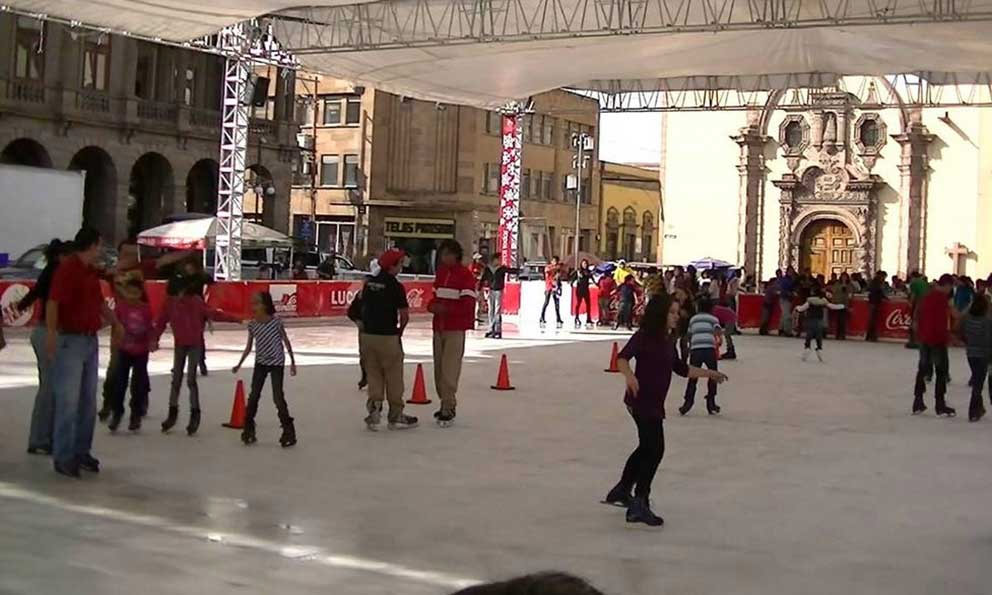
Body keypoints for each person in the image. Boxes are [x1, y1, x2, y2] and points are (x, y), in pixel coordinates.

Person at [601, 295, 728, 527]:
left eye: (677, 312)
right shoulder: (644, 337)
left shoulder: (667, 340)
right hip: (640, 401)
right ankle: (640, 502)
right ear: (660, 314)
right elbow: (622, 358)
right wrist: (629, 376)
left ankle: (621, 490)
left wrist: (710, 374)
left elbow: (681, 369)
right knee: (655, 449)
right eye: (672, 312)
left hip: (654, 403)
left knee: (646, 447)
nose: (676, 316)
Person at [47, 227, 122, 478]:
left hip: (90, 340)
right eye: (99, 245)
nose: (101, 249)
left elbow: (99, 302)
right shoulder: (68, 269)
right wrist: (50, 335)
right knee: (68, 401)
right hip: (71, 340)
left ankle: (81, 450)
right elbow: (53, 302)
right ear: (92, 244)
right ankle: (63, 455)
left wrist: (115, 322)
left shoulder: (90, 272)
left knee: (87, 401)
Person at [155, 283, 240, 435]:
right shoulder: (170, 303)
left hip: (194, 344)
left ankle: (195, 413)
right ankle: (172, 413)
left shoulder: (195, 301)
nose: (180, 296)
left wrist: (234, 319)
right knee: (176, 380)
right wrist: (154, 338)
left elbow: (212, 313)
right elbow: (161, 321)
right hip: (180, 344)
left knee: (191, 380)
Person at [17, 239, 68, 455]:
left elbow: (33, 294)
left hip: (43, 331)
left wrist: (21, 306)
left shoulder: (49, 271)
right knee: (50, 388)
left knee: (49, 386)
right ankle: (41, 437)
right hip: (50, 332)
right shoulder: (57, 273)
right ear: (61, 256)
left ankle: (43, 436)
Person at [357, 249, 418, 431]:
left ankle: (374, 410)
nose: (401, 267)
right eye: (400, 263)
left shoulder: (369, 284)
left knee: (374, 373)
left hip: (368, 336)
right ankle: (396, 414)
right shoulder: (395, 286)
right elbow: (404, 315)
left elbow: (358, 308)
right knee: (393, 376)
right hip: (388, 336)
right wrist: (400, 331)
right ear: (393, 266)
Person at [232, 292, 298, 446]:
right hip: (261, 363)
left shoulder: (276, 323)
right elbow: (249, 347)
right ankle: (248, 429)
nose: (253, 306)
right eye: (253, 303)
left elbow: (286, 341)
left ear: (265, 305)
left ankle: (288, 431)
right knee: (254, 395)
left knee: (277, 397)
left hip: (276, 363)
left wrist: (292, 362)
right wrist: (239, 364)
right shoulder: (253, 325)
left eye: (257, 303)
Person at [428, 240, 477, 427]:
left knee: (450, 368)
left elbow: (468, 303)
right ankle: (444, 402)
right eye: (443, 254)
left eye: (448, 254)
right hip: (438, 327)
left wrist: (447, 311)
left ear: (456, 255)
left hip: (455, 328)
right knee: (438, 369)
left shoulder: (465, 276)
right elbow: (434, 297)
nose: (445, 257)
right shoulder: (441, 274)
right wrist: (432, 307)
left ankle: (448, 404)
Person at [108, 273, 154, 432]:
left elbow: (149, 327)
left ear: (141, 293)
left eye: (136, 293)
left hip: (141, 351)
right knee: (120, 383)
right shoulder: (121, 307)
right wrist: (115, 343)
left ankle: (136, 414)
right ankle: (117, 412)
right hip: (124, 350)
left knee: (138, 385)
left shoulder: (145, 309)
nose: (132, 296)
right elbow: (116, 326)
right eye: (129, 292)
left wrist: (152, 341)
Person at [913, 274, 957, 417]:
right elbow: (940, 322)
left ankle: (918, 401)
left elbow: (918, 315)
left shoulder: (927, 296)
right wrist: (947, 337)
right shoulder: (941, 299)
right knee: (941, 371)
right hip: (937, 339)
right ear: (947, 285)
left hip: (924, 338)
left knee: (923, 369)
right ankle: (940, 404)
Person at [678, 299, 724, 416]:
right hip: (709, 350)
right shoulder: (713, 319)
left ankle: (687, 403)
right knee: (712, 375)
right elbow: (718, 330)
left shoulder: (693, 319)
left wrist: (687, 347)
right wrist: (719, 339)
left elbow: (689, 334)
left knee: (693, 376)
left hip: (696, 350)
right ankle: (711, 403)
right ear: (711, 309)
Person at [959, 294, 992, 422]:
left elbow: (960, 330)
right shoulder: (987, 321)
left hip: (971, 353)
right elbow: (989, 340)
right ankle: (973, 410)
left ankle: (979, 407)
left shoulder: (967, 319)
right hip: (984, 354)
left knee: (977, 379)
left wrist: (967, 342)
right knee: (978, 383)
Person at [795, 286, 845, 362]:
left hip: (811, 320)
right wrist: (842, 306)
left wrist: (797, 308)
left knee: (809, 335)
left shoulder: (810, 301)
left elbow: (802, 308)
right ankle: (819, 349)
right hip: (819, 321)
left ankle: (807, 348)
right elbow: (832, 306)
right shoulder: (823, 301)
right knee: (819, 336)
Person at [481, 256, 518, 339]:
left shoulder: (502, 268)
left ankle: (497, 330)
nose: (499, 261)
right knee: (491, 310)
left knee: (497, 310)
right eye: (498, 259)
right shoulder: (488, 269)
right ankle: (491, 329)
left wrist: (520, 270)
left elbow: (511, 271)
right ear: (494, 260)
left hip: (499, 290)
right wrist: (480, 286)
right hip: (491, 290)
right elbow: (484, 277)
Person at [539, 256, 564, 328]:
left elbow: (559, 277)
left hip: (556, 287)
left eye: (556, 261)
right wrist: (556, 268)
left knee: (557, 304)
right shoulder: (549, 267)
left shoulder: (558, 269)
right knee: (546, 302)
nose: (554, 263)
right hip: (549, 287)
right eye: (553, 261)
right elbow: (547, 272)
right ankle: (542, 317)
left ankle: (558, 318)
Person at [829, 272, 854, 340]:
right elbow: (833, 290)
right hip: (838, 302)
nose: (844, 278)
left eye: (845, 277)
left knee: (843, 320)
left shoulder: (849, 285)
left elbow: (851, 293)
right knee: (838, 319)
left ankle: (842, 334)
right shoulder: (837, 284)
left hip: (845, 303)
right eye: (843, 277)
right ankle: (837, 334)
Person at [572, 259, 594, 327]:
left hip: (586, 290)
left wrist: (594, 283)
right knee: (578, 304)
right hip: (579, 290)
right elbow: (572, 279)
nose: (584, 265)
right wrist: (573, 283)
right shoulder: (578, 272)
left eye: (585, 264)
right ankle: (576, 317)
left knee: (588, 304)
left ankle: (588, 319)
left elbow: (592, 279)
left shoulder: (588, 272)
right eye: (583, 264)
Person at [866, 271, 887, 341]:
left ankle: (870, 335)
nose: (884, 278)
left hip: (874, 302)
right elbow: (879, 291)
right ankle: (871, 335)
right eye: (883, 277)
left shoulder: (876, 282)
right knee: (872, 320)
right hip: (873, 302)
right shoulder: (876, 283)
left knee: (873, 319)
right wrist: (885, 297)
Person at [469, 253, 487, 324]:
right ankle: (474, 316)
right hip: (475, 286)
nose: (480, 260)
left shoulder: (480, 266)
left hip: (479, 285)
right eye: (479, 259)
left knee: (480, 302)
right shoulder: (473, 266)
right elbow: (475, 275)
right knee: (476, 301)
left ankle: (477, 316)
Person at [778, 267, 796, 337]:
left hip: (788, 299)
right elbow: (782, 290)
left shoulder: (791, 280)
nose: (791, 273)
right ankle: (787, 331)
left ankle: (781, 329)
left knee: (784, 314)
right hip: (784, 298)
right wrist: (790, 293)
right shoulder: (785, 280)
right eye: (790, 271)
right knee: (787, 316)